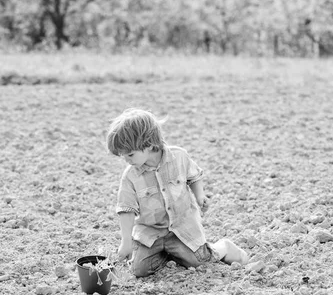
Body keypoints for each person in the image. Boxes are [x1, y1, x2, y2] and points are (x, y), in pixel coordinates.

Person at [106, 108, 249, 277]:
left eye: (130, 154)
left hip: (181, 229)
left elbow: (194, 176)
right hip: (151, 233)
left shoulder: (179, 157)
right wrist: (126, 242)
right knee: (139, 270)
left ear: (149, 144)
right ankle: (167, 253)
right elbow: (126, 209)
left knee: (199, 261)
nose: (126, 160)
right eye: (122, 156)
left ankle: (223, 247)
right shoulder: (131, 175)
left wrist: (200, 195)